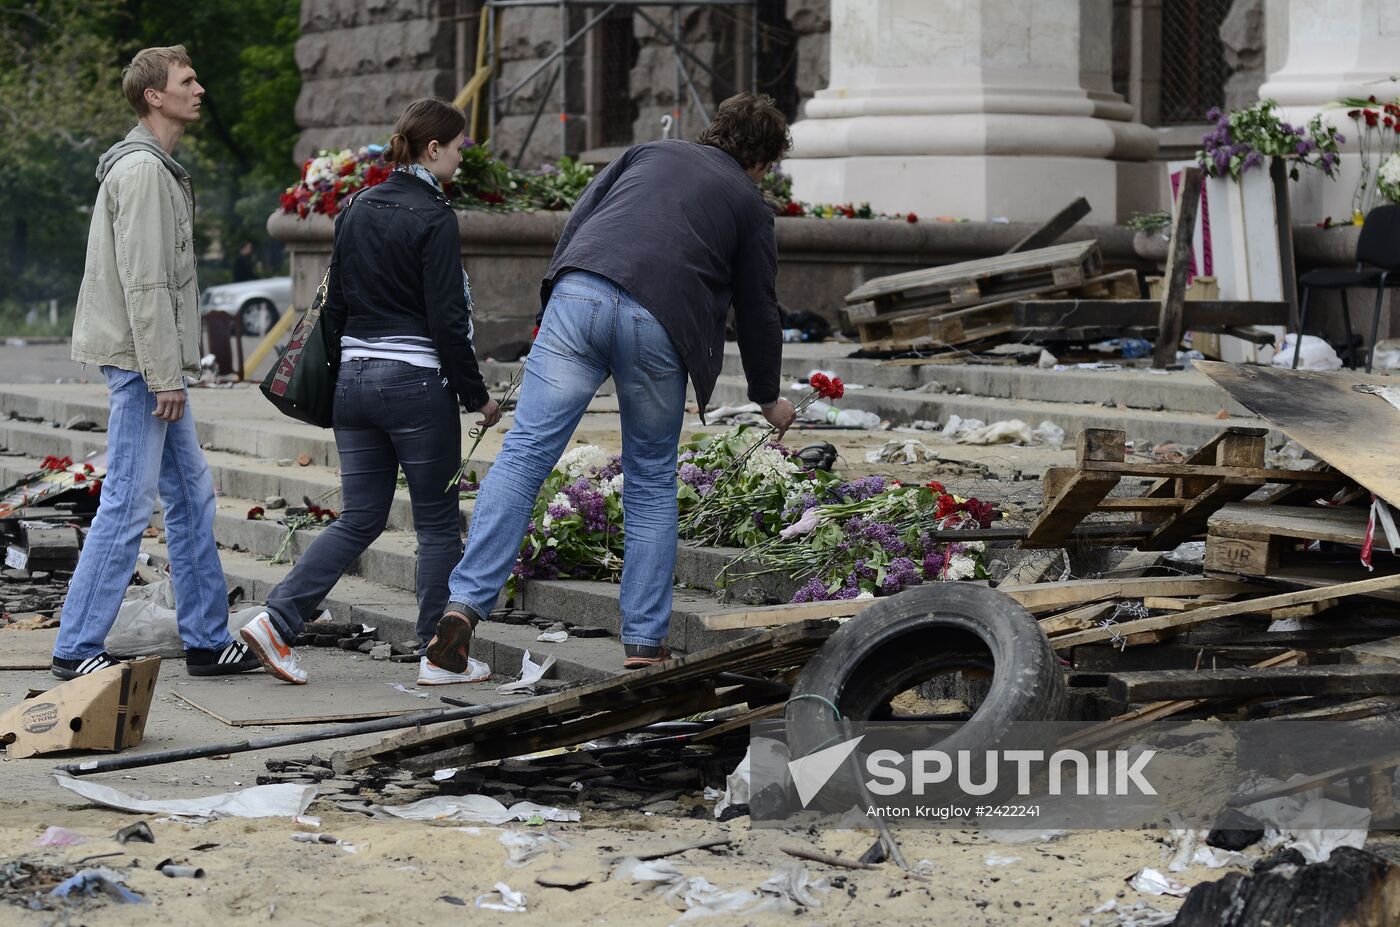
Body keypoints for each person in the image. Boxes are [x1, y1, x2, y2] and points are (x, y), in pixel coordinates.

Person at [426, 92, 797, 674]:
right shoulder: (750, 204)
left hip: (583, 290)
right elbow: (758, 307)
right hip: (662, 321)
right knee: (649, 479)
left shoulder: (647, 152)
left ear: (715, 131)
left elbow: (580, 220)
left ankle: (463, 608)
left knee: (523, 456)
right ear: (763, 161)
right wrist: (766, 395)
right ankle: (644, 648)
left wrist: (561, 291)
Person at [239, 98, 501, 686]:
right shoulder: (435, 216)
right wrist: (476, 395)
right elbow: (447, 320)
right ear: (433, 149)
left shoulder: (355, 207)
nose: (461, 160)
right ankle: (441, 655)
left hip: (352, 383)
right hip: (414, 383)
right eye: (458, 149)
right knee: (436, 523)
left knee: (359, 518)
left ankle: (277, 620)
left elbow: (340, 304)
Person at [55, 46, 259, 680]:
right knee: (127, 499)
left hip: (152, 363)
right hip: (144, 366)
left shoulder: (157, 168)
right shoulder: (143, 173)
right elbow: (145, 284)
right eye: (187, 81)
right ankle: (76, 646)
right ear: (154, 96)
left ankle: (204, 638)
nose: (199, 89)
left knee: (190, 492)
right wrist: (165, 377)